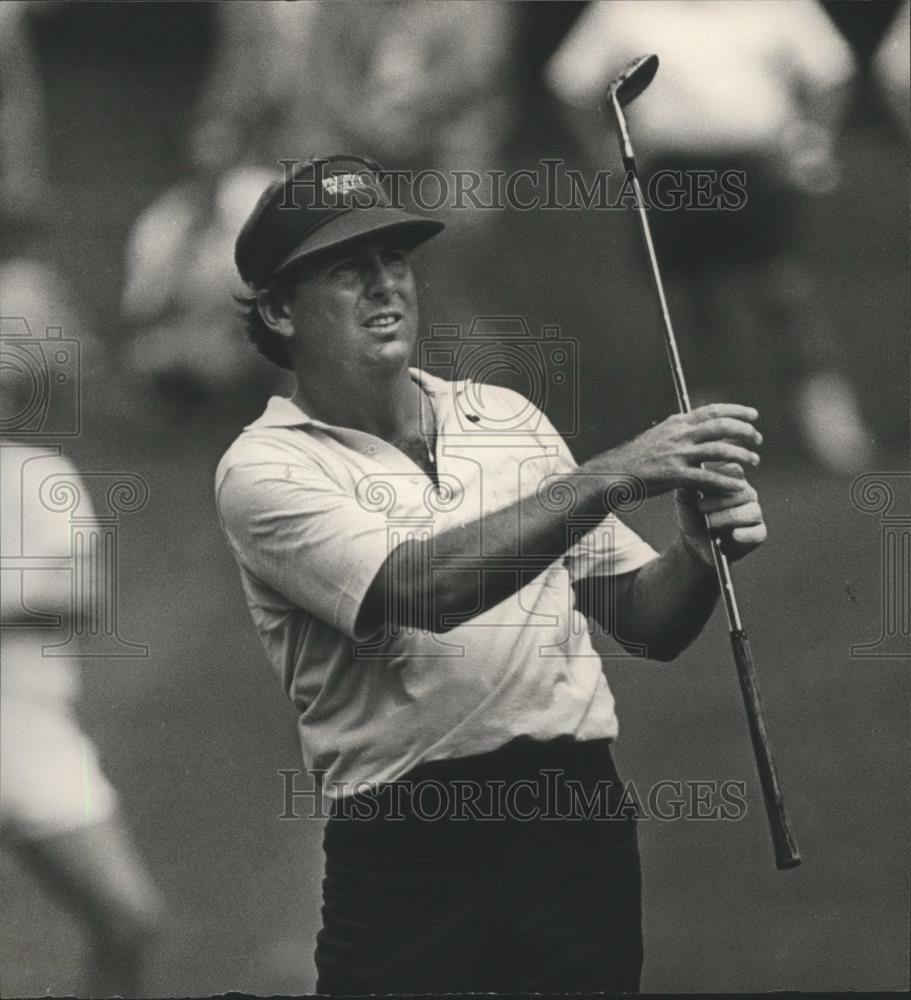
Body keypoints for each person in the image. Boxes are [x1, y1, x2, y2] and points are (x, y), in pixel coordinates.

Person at [215, 156, 768, 994]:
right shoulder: (264, 468)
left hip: (575, 820)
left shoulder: (506, 419)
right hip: (409, 842)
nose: (382, 286)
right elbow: (425, 589)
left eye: (393, 261)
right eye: (346, 270)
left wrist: (694, 550)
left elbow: (646, 621)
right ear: (279, 310)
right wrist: (616, 472)